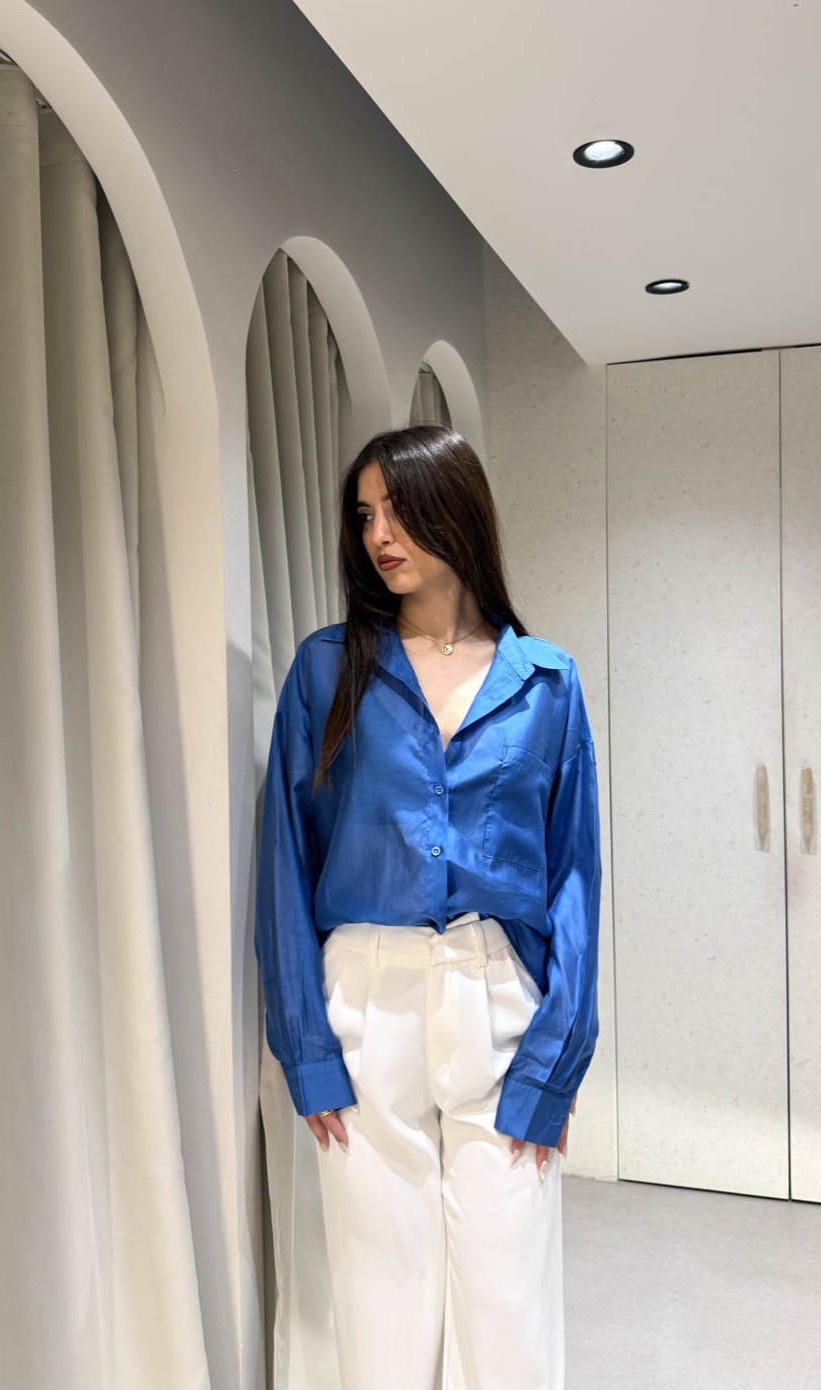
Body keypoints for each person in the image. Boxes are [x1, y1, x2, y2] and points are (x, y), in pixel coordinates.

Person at [254, 424, 601, 1390]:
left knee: (509, 1298)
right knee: (383, 1304)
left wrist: (558, 1057)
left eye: (398, 509)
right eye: (364, 514)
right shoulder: (326, 671)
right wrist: (306, 1050)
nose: (378, 534)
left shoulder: (547, 684)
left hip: (499, 1000)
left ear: (457, 508)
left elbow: (574, 876)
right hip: (364, 1003)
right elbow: (285, 861)